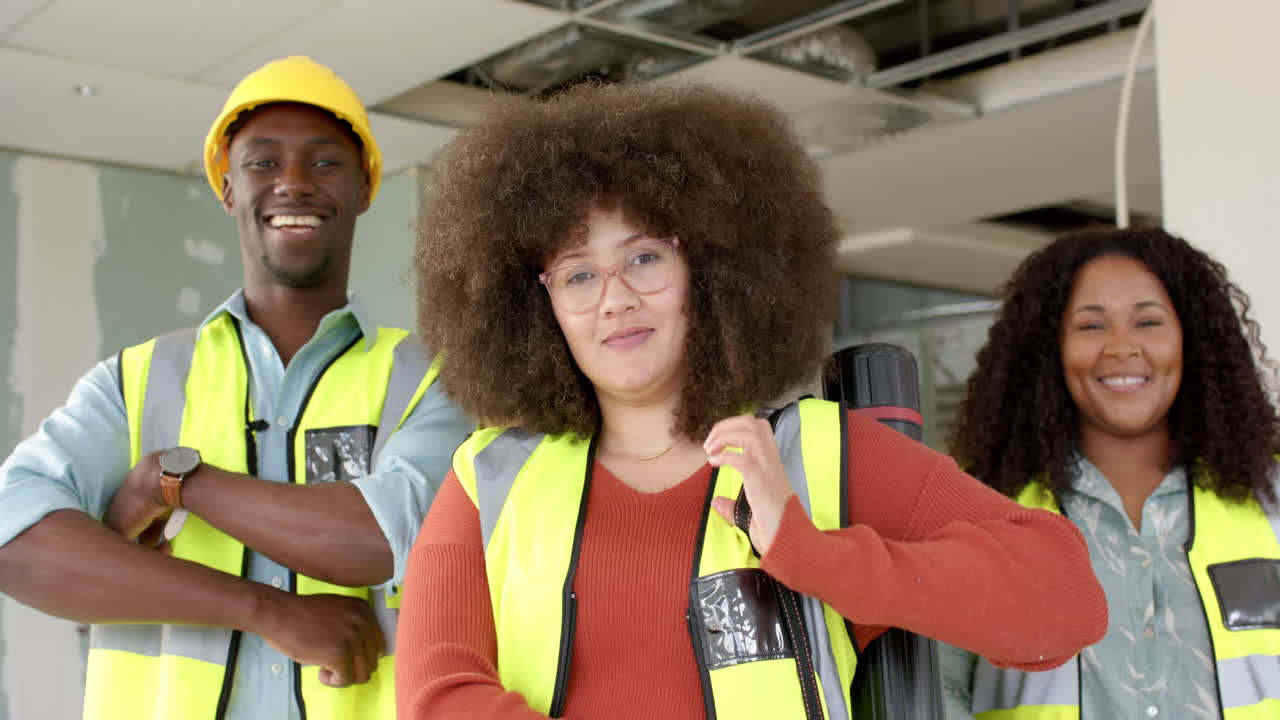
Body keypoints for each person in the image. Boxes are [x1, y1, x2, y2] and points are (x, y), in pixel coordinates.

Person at [395, 80, 1107, 720]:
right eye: (578, 275)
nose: (615, 299)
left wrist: (813, 554)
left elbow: (1065, 601)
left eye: (644, 257)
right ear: (535, 305)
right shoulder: (489, 480)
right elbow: (437, 697)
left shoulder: (818, 456)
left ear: (708, 268)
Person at [0, 56, 471, 720]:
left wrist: (178, 481)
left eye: (325, 162)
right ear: (226, 189)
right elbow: (14, 539)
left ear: (367, 187)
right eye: (263, 162)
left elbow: (382, 539)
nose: (295, 183)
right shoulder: (138, 380)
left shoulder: (432, 380)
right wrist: (266, 609)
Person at [941, 226, 1280, 720]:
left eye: (1148, 322)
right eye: (1091, 326)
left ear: (1192, 339)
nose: (1121, 348)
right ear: (1047, 347)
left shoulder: (1271, 501)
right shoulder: (976, 506)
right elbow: (935, 684)